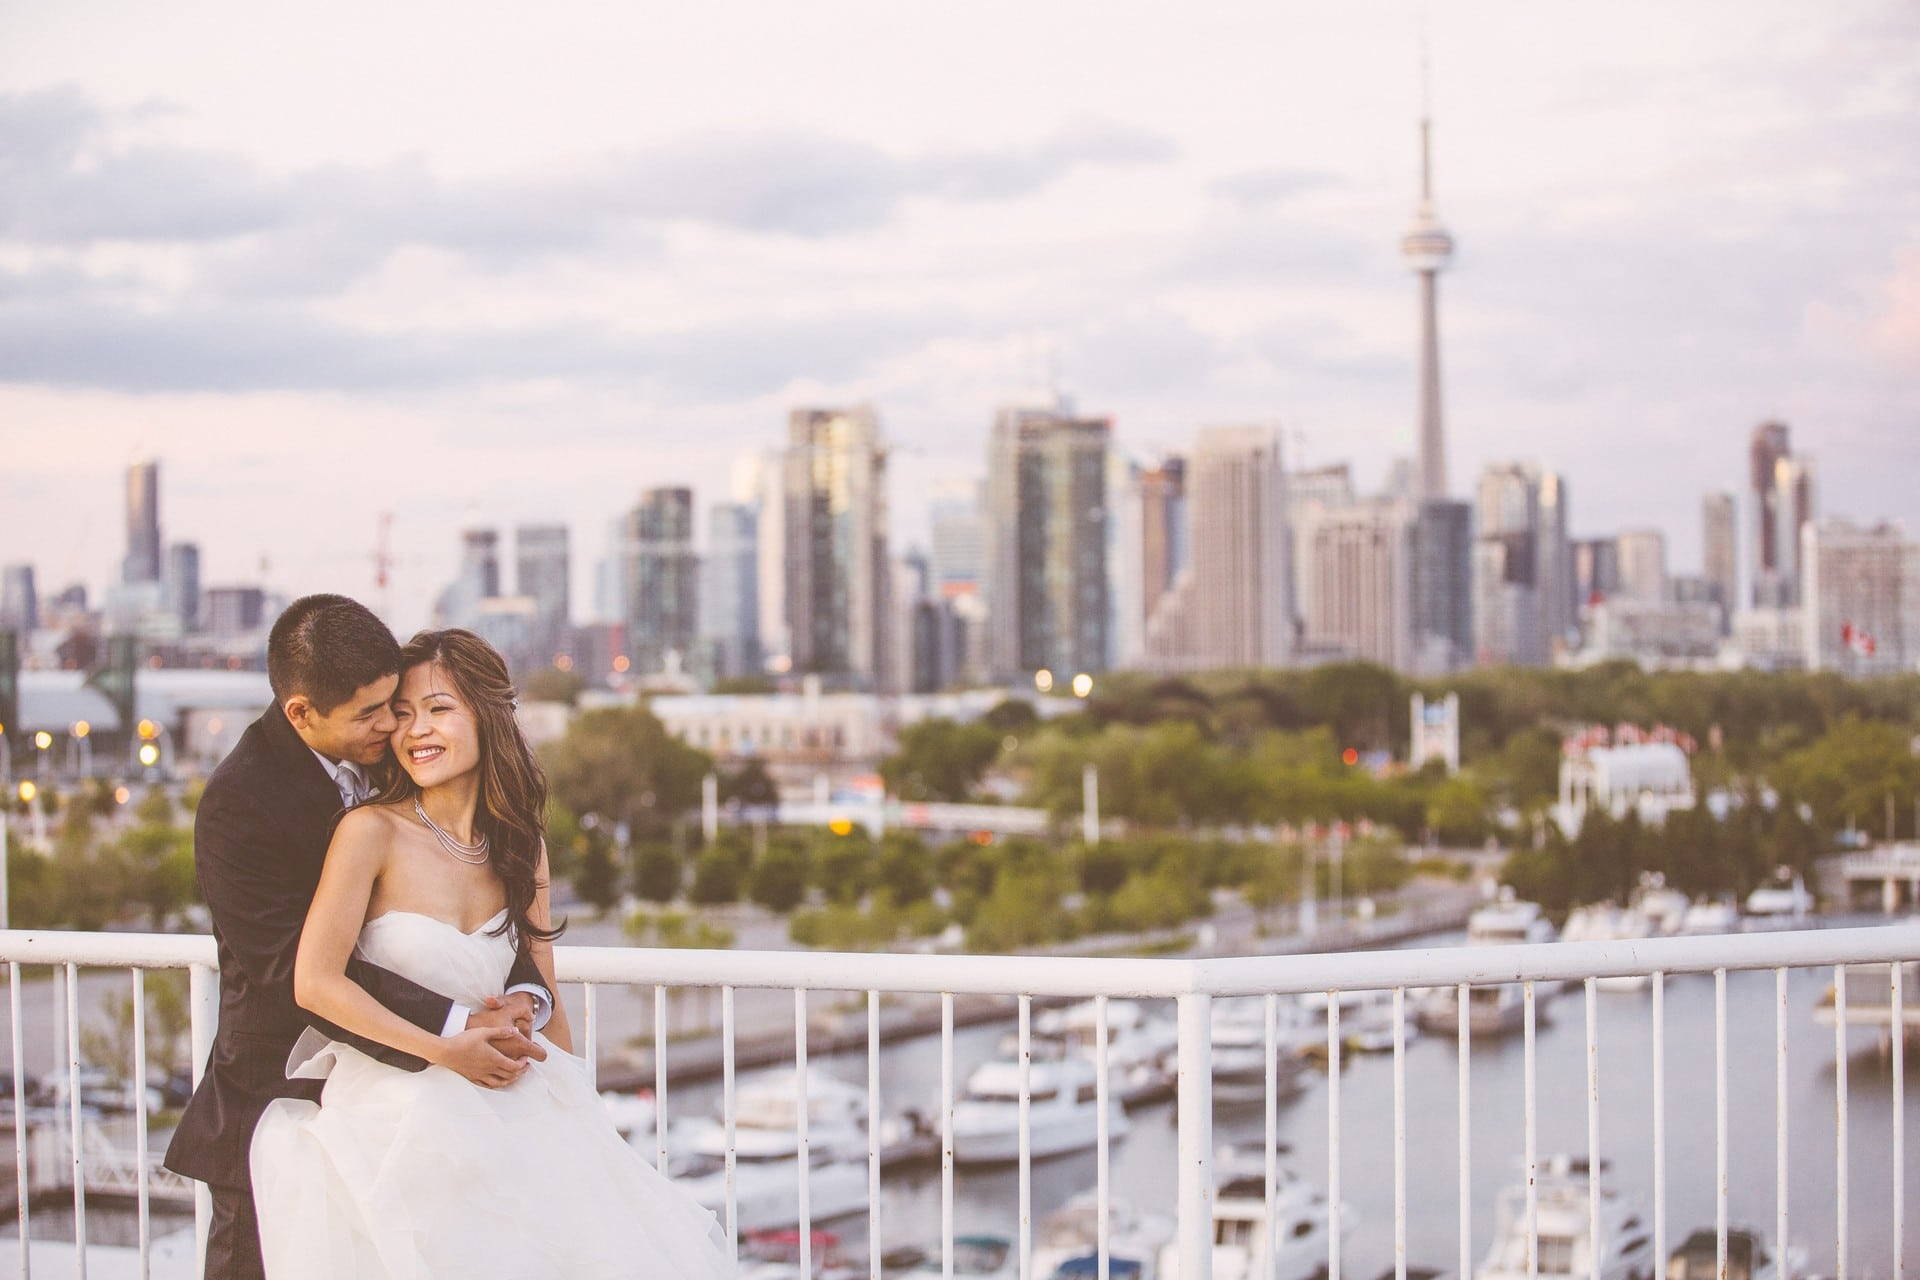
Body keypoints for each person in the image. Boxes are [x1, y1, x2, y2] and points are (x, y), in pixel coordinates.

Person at [248, 627, 735, 1279]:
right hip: (398, 1117)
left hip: (513, 1101)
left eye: (439, 708)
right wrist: (444, 1049)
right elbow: (315, 982)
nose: (417, 729)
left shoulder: (518, 844)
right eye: (403, 713)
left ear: (486, 716)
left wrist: (576, 1109)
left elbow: (545, 989)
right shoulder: (370, 833)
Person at [165, 595, 553, 1280]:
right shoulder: (240, 803)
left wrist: (523, 998)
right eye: (375, 713)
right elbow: (294, 972)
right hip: (279, 1103)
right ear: (301, 713)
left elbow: (478, 911)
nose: (393, 727)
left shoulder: (404, 768)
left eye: (399, 705)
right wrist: (455, 1028)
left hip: (429, 1111)